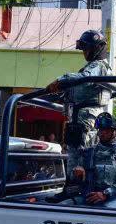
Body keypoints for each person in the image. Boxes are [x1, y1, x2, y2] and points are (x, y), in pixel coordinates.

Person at [46, 30, 111, 177]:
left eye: (87, 48)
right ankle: (71, 188)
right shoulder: (95, 66)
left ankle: (76, 191)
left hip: (86, 119)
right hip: (81, 118)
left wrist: (62, 80)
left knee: (82, 156)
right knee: (75, 155)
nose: (84, 52)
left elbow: (85, 78)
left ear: (97, 48)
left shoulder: (98, 66)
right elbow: (81, 89)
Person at [62, 113, 116, 209]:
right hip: (87, 197)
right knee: (61, 207)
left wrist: (106, 193)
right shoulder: (89, 152)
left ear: (115, 132)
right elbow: (73, 177)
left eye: (106, 130)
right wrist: (77, 173)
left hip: (114, 198)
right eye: (100, 130)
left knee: (111, 214)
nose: (102, 133)